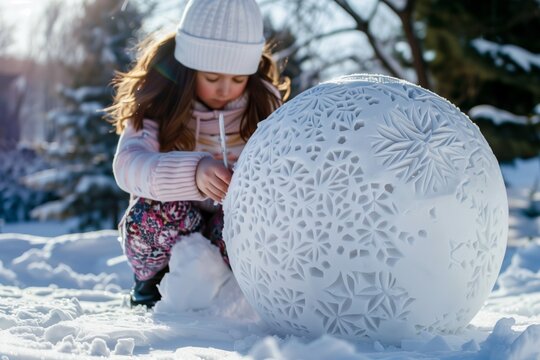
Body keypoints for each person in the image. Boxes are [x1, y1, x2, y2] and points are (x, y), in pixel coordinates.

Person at [106, 0, 290, 308]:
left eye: (238, 79)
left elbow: (286, 165)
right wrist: (193, 172)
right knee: (155, 212)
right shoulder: (159, 104)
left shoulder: (263, 105)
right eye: (213, 78)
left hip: (230, 225)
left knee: (261, 223)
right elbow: (127, 165)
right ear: (189, 68)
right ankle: (153, 285)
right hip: (171, 228)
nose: (225, 89)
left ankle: (240, 294)